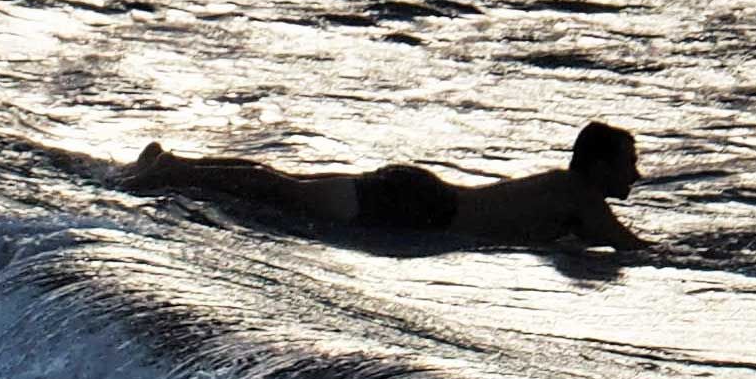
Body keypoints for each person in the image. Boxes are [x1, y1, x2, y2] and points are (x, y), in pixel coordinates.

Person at [124, 119, 652, 252]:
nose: (637, 173)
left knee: (280, 183)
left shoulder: (563, 190)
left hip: (422, 195)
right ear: (600, 166)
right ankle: (172, 169)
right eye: (629, 162)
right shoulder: (582, 197)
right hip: (418, 208)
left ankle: (175, 163)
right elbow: (639, 251)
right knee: (277, 188)